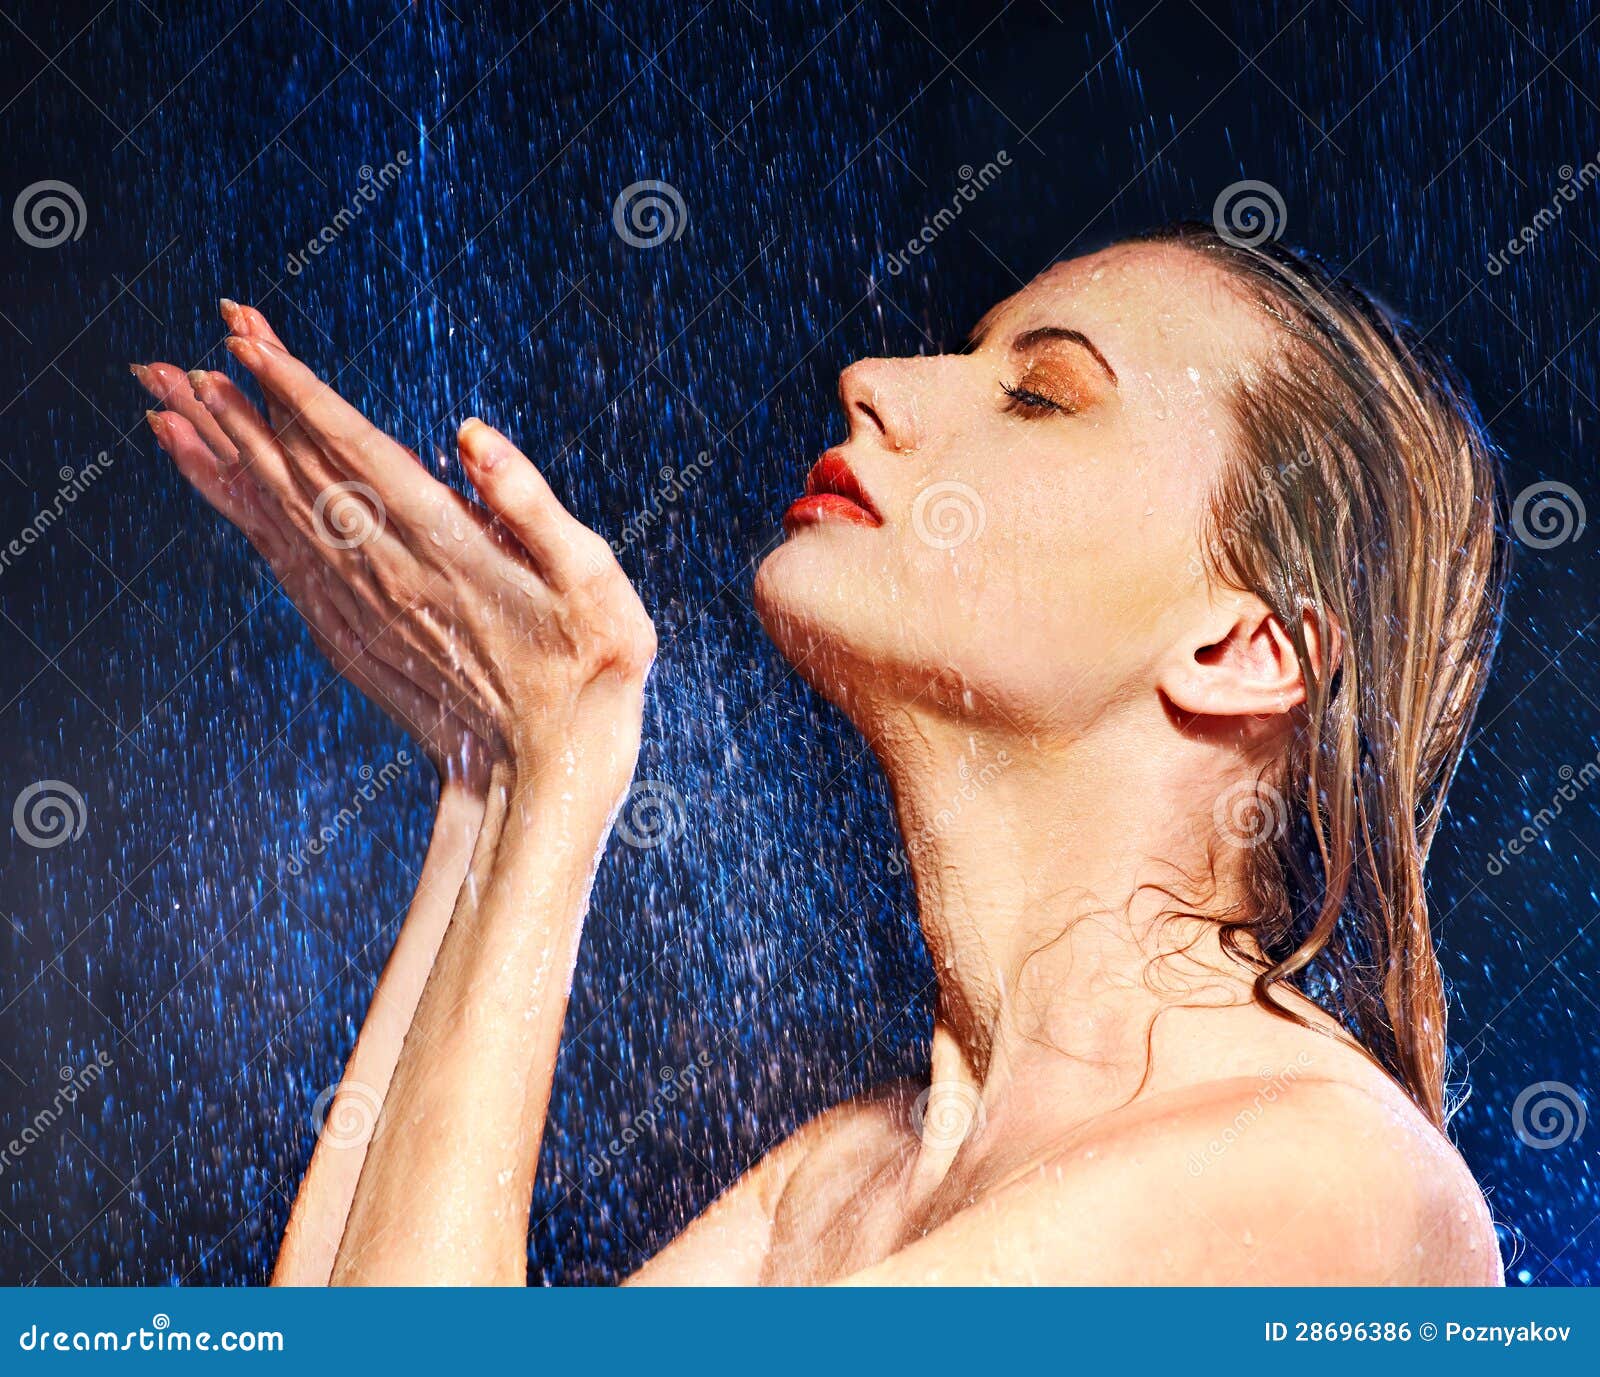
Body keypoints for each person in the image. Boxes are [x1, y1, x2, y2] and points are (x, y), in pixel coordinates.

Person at [134, 222, 1508, 1285]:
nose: (876, 379)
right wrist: (488, 783)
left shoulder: (1322, 1182)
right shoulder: (845, 1173)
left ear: (1241, 648)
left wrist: (564, 760)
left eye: (1041, 396)